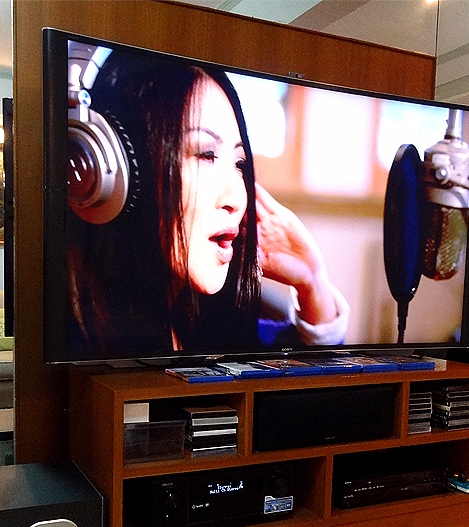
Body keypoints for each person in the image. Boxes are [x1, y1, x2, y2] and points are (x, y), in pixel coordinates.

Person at [66, 47, 348, 358]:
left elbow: (310, 368)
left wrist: (312, 280)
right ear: (119, 172)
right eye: (206, 155)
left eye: (239, 163)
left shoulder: (207, 321)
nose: (238, 200)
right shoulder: (74, 345)